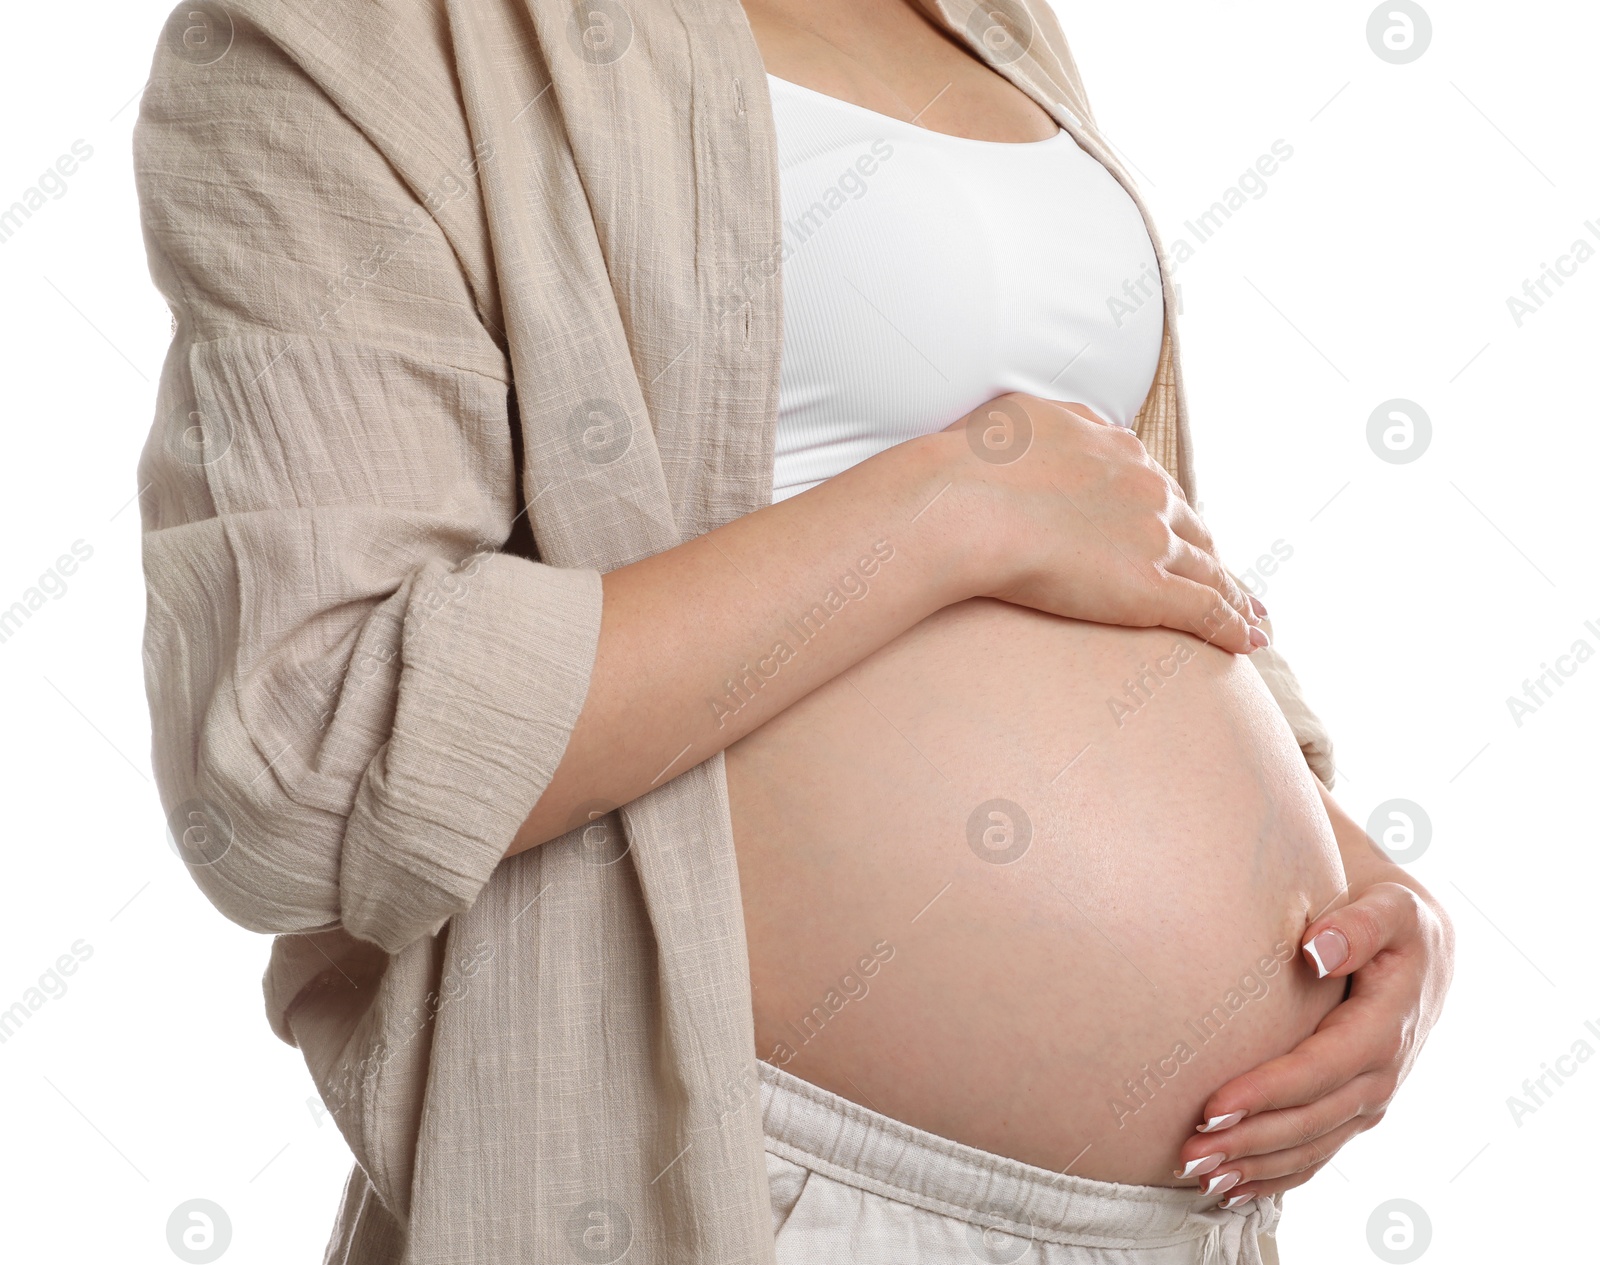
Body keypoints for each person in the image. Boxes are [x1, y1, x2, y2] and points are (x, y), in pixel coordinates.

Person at [133, 0, 1453, 1261]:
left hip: (1183, 1222)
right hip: (753, 1185)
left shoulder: (990, 20)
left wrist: (1362, 889)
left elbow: (1117, 527)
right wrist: (940, 510)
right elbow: (300, 756)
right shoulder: (356, 39)